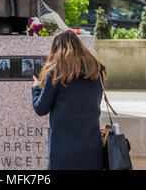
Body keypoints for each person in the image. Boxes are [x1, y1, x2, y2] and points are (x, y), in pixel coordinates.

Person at [31, 30, 105, 170]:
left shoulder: (56, 72)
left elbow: (40, 108)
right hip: (92, 149)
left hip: (63, 151)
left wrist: (35, 88)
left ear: (56, 50)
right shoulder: (97, 71)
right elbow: (96, 101)